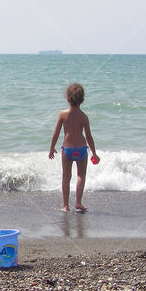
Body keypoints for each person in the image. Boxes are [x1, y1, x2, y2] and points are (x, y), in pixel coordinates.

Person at [49, 83, 99, 212]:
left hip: (68, 149)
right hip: (81, 149)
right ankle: (78, 202)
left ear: (67, 98)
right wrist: (94, 153)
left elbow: (56, 133)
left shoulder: (63, 115)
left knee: (66, 176)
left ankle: (66, 205)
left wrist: (52, 148)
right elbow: (89, 137)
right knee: (81, 175)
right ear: (82, 100)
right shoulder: (84, 117)